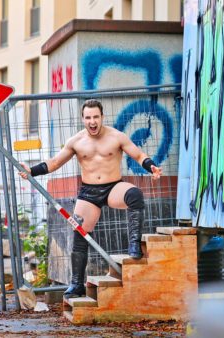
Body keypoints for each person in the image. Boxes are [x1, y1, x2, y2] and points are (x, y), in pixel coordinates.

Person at [18, 99, 162, 298]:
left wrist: (151, 166)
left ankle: (134, 245)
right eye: (88, 117)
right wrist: (31, 171)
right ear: (83, 119)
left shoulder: (116, 137)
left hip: (113, 187)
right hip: (89, 193)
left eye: (96, 117)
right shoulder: (76, 141)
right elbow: (54, 163)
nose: (92, 121)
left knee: (134, 195)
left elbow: (138, 155)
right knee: (79, 231)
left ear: (102, 117)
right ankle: (77, 283)